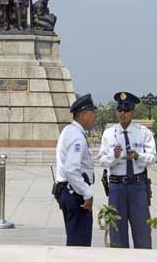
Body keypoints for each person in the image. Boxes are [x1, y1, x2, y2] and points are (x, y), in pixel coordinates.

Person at [98, 91, 157, 249]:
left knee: (142, 231)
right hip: (116, 187)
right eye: (120, 110)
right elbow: (102, 161)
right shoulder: (109, 134)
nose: (123, 113)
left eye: (127, 110)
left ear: (133, 111)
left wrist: (139, 156)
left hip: (137, 187)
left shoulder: (143, 132)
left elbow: (153, 157)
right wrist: (114, 156)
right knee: (117, 232)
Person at [56, 93, 97, 246]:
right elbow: (71, 169)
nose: (95, 117)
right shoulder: (77, 136)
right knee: (80, 245)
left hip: (68, 191)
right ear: (82, 114)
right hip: (75, 194)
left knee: (74, 241)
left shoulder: (69, 131)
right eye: (93, 113)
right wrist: (87, 192)